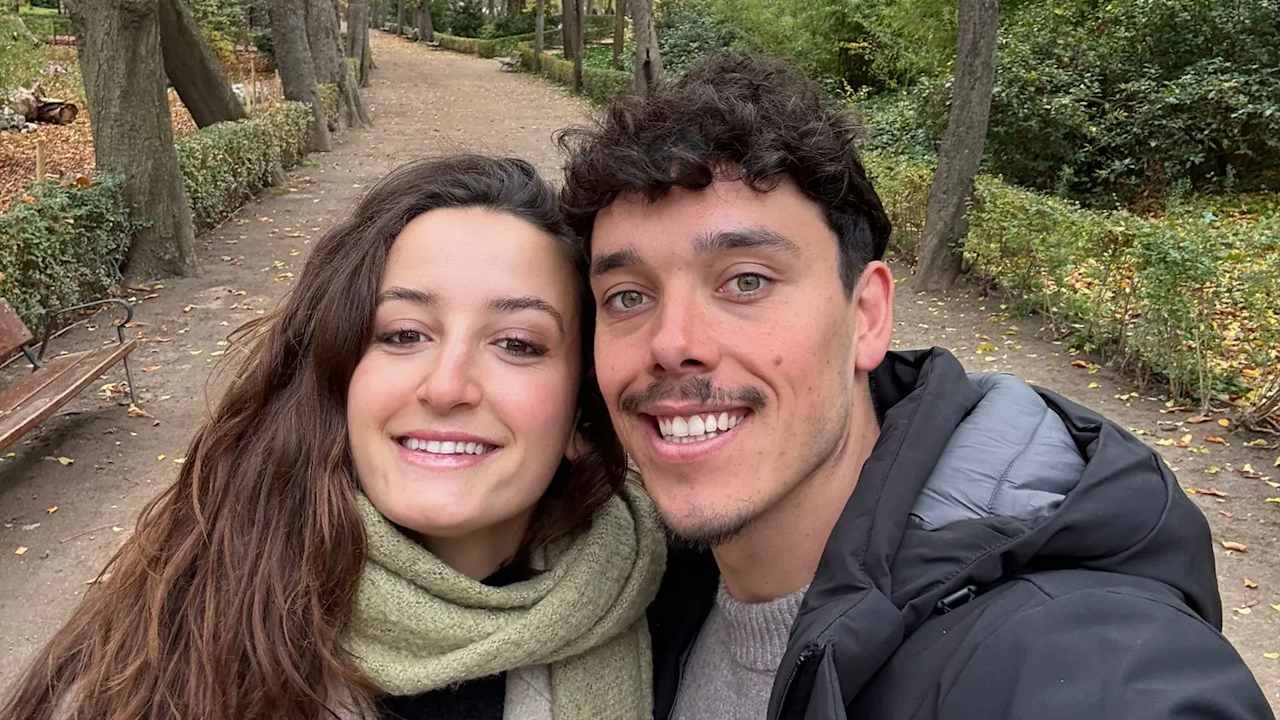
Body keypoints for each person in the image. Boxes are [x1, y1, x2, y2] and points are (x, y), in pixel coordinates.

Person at [558, 54, 1272, 719]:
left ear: (867, 316)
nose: (673, 343)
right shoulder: (637, 596)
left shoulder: (1075, 659)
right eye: (627, 296)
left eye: (746, 281)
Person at [1, 156, 665, 720]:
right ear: (338, 370)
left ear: (582, 412)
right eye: (403, 334)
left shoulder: (677, 605)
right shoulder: (177, 637)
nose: (446, 386)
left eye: (517, 343)